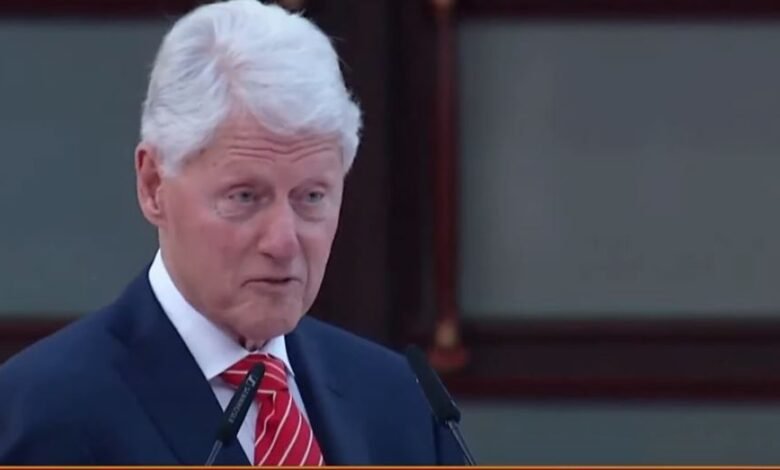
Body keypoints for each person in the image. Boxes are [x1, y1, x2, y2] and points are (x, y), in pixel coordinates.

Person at [0, 0, 464, 465]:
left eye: (311, 197)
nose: (282, 242)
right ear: (154, 185)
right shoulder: (45, 413)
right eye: (244, 197)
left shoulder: (401, 400)